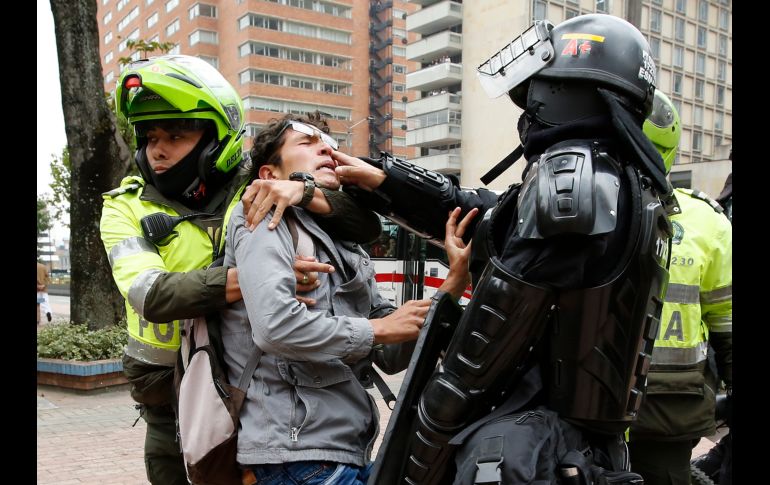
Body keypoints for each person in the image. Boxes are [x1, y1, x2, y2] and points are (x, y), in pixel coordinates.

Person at [315, 14, 671, 484]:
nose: (526, 115)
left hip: (529, 445)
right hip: (573, 444)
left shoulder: (571, 184)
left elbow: (474, 364)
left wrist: (415, 458)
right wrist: (385, 181)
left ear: (560, 92)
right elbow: (482, 215)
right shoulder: (624, 180)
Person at [100, 56, 381, 485]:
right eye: (151, 136)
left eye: (176, 134)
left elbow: (363, 223)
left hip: (249, 397)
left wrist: (302, 190)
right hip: (169, 401)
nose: (157, 149)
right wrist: (260, 280)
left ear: (216, 138)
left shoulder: (253, 188)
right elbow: (150, 294)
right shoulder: (124, 205)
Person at [220, 112, 477, 485]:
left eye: (329, 143)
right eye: (306, 143)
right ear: (269, 174)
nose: (325, 147)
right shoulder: (265, 215)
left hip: (340, 451)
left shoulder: (343, 240)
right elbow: (275, 328)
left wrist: (453, 283)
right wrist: (377, 328)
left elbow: (387, 353)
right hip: (296, 453)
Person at [625, 89, 732, 485]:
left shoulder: (708, 222)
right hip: (649, 414)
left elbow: (727, 321)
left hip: (663, 421)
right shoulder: (710, 222)